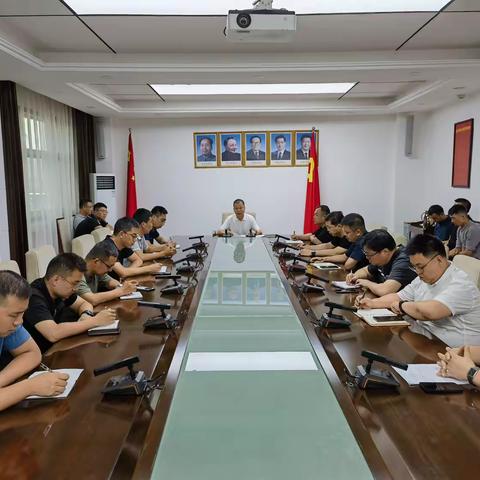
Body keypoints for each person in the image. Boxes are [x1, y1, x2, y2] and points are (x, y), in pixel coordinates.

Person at [357, 234, 480, 347]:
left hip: (454, 351)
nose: (418, 272)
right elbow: (398, 296)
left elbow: (430, 312)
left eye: (420, 266)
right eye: (414, 267)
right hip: (425, 337)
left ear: (439, 259)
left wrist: (402, 305)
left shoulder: (461, 284)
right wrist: (372, 303)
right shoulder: (424, 277)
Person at [0, 270, 69, 411]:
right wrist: (30, 387)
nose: (19, 322)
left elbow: (32, 353)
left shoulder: (8, 326)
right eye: (14, 315)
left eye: (22, 313)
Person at [22, 253, 117, 353]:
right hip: (42, 357)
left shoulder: (62, 290)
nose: (76, 289)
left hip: (58, 348)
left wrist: (86, 314)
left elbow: (84, 304)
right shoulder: (33, 297)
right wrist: (95, 321)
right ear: (56, 280)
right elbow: (53, 333)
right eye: (74, 283)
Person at [346, 229, 417, 296]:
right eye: (365, 254)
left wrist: (366, 283)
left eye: (369, 255)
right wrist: (355, 276)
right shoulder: (381, 258)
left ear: (385, 252)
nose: (367, 258)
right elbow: (365, 271)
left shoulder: (404, 261)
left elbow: (385, 290)